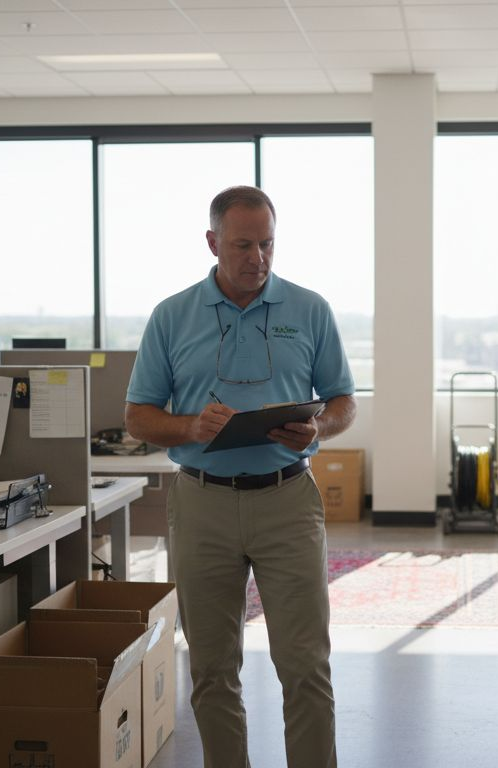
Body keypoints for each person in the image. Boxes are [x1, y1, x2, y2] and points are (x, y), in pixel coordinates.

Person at [124, 185, 356, 768]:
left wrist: (320, 427)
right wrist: (192, 427)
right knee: (211, 667)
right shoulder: (172, 316)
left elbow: (343, 400)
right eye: (243, 244)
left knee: (306, 665)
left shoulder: (309, 309)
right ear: (212, 243)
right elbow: (138, 417)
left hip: (287, 500)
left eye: (268, 244)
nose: (258, 258)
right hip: (203, 503)